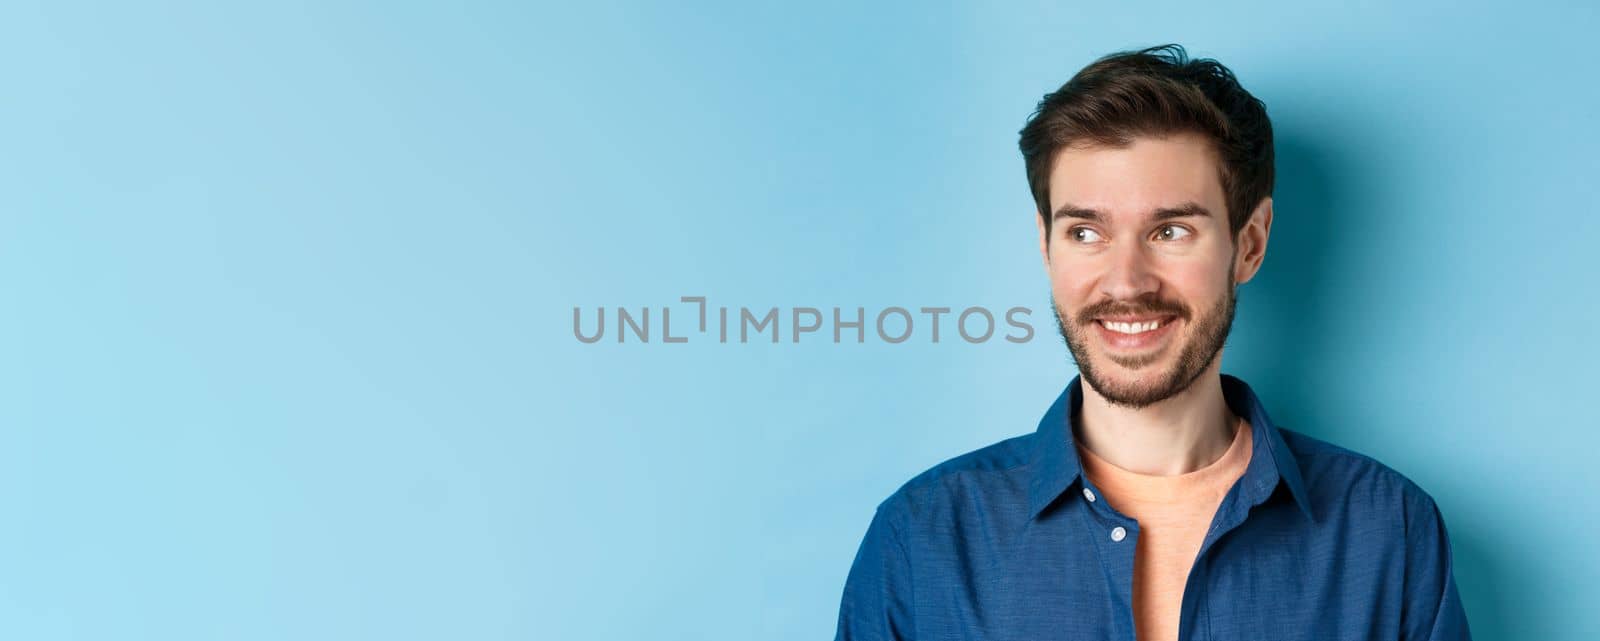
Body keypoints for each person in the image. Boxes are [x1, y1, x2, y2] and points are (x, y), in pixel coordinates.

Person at [832, 44, 1472, 641]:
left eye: (1170, 231)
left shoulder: (1390, 532)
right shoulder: (921, 540)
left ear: (1249, 243)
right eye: (1086, 233)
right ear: (1045, 244)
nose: (1125, 282)